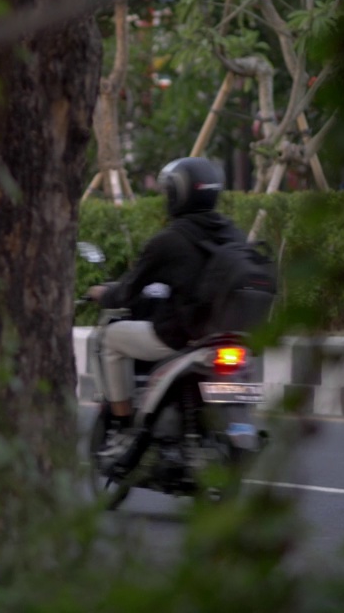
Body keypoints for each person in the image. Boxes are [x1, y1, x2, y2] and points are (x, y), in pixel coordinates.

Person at [87, 157, 246, 472]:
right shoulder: (233, 234)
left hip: (179, 337)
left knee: (110, 339)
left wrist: (103, 294)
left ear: (177, 195)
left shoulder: (169, 240)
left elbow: (128, 291)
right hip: (226, 336)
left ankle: (120, 427)